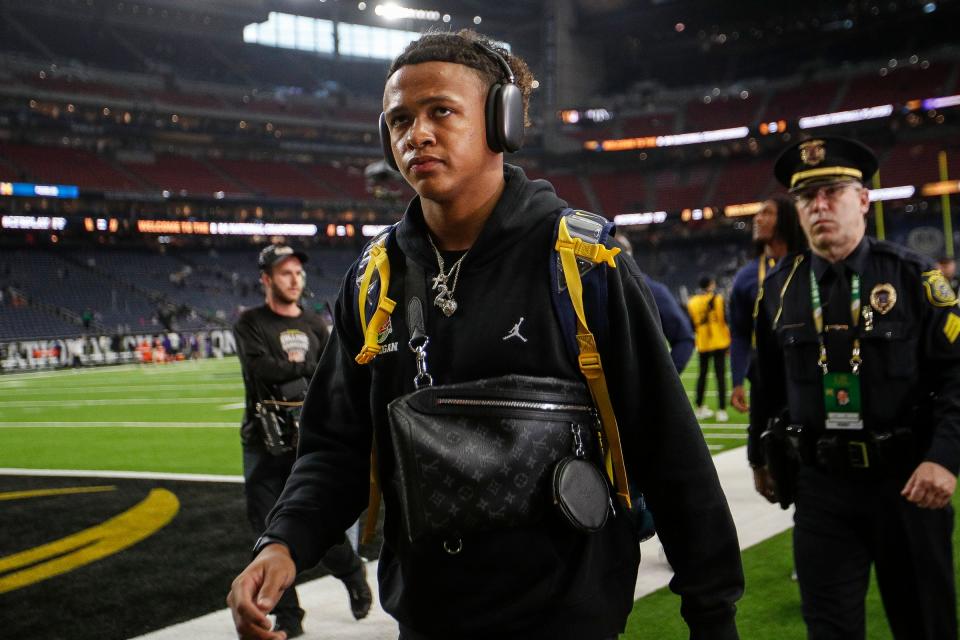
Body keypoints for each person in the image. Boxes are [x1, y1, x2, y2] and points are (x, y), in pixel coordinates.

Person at [227, 30, 743, 640]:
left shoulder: (583, 262)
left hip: (567, 617)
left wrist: (712, 613)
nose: (415, 134)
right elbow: (335, 445)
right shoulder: (372, 281)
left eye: (440, 111)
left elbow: (668, 448)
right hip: (429, 617)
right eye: (399, 120)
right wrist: (283, 540)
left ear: (504, 120)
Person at [751, 135, 960, 639]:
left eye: (833, 193)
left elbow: (956, 374)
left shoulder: (913, 278)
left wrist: (946, 457)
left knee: (925, 626)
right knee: (830, 630)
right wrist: (761, 455)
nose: (819, 206)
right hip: (822, 489)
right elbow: (767, 380)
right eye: (807, 197)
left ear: (863, 200)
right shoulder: (779, 289)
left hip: (908, 485)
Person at [233, 244, 372, 638]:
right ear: (266, 279)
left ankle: (351, 572)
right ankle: (288, 617)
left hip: (305, 438)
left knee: (316, 527)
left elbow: (320, 374)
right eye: (284, 273)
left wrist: (294, 371)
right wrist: (302, 370)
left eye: (298, 273)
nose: (294, 280)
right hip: (262, 440)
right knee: (268, 533)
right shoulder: (249, 323)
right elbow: (263, 369)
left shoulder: (315, 323)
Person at [728, 195, 805, 416]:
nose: (757, 218)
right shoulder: (746, 277)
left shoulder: (810, 265)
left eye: (767, 212)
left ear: (787, 219)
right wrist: (738, 381)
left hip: (806, 377)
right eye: (759, 212)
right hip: (764, 383)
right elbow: (740, 333)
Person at [618, 234, 695, 373]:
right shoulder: (587, 292)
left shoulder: (653, 291)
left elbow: (684, 339)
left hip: (636, 387)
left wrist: (663, 381)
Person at [687, 275, 732, 421]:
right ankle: (722, 411)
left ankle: (699, 407)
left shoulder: (692, 302)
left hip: (703, 342)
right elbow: (724, 320)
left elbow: (693, 324)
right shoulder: (718, 299)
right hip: (719, 341)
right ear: (710, 285)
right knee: (720, 377)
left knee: (702, 375)